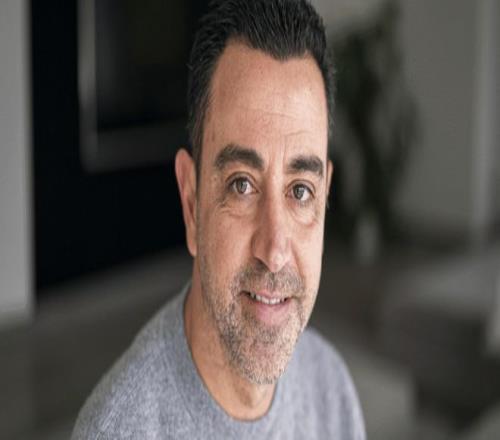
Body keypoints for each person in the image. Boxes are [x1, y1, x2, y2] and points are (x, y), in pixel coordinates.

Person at [72, 0, 366, 438]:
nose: (274, 250)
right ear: (191, 203)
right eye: (242, 185)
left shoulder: (333, 394)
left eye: (301, 190)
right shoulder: (118, 430)